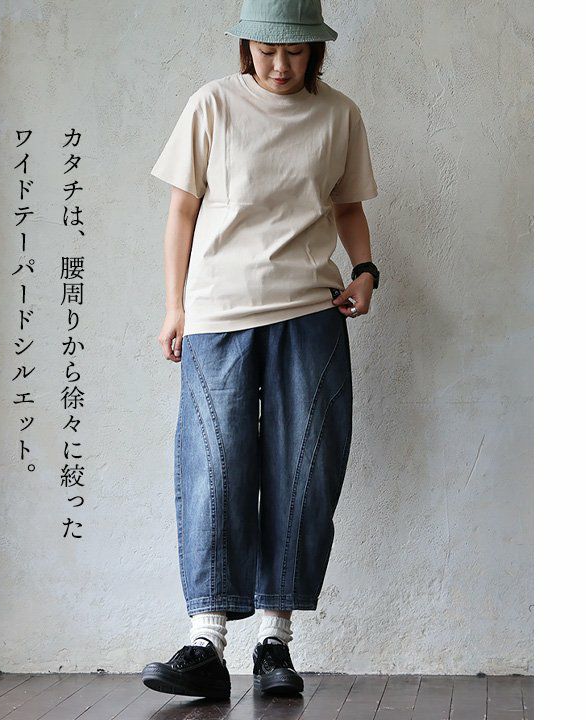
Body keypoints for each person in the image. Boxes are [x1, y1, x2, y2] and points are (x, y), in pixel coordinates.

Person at [141, 0, 381, 700]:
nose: (279, 65)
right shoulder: (212, 105)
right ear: (247, 47)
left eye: (294, 52)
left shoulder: (339, 115)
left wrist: (366, 270)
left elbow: (348, 207)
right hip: (218, 313)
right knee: (213, 467)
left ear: (316, 51)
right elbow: (181, 211)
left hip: (310, 310)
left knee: (302, 469)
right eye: (267, 51)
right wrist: (175, 306)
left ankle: (275, 641)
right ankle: (206, 642)